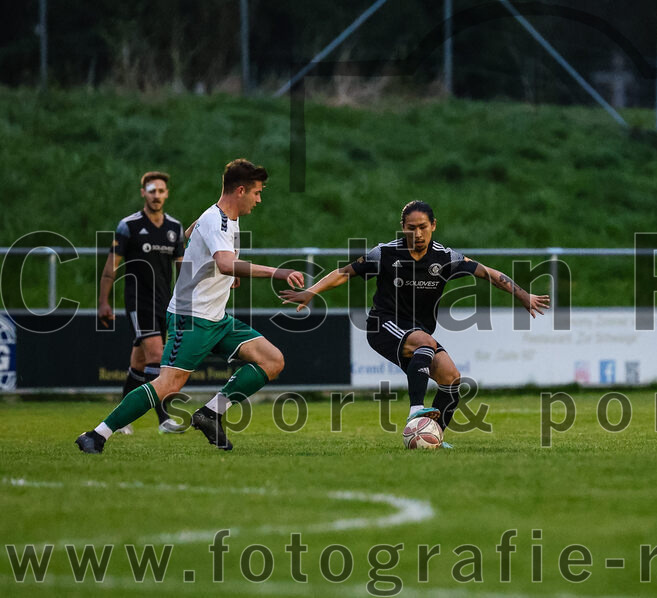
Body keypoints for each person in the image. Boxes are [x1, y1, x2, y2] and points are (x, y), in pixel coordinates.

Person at [76, 159, 304, 454]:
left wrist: (221, 269)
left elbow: (191, 236)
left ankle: (210, 414)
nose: (259, 200)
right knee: (168, 384)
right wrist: (277, 272)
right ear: (241, 190)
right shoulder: (216, 219)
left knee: (272, 360)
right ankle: (97, 435)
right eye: (257, 193)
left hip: (217, 319)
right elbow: (223, 262)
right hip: (191, 318)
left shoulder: (223, 218)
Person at [280, 201, 549, 447]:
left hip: (418, 332)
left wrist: (523, 295)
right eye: (411, 228)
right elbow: (344, 273)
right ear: (402, 228)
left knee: (451, 379)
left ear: (433, 225)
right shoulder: (384, 253)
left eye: (423, 227)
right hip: (383, 325)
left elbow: (488, 273)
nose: (417, 234)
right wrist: (311, 291)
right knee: (425, 342)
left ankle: (433, 435)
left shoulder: (445, 258)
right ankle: (415, 411)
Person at [98, 171, 188, 434]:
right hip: (139, 301)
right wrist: (104, 301)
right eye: (152, 191)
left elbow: (182, 271)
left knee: (139, 364)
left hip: (165, 303)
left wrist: (183, 302)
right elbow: (110, 267)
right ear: (143, 193)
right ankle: (163, 419)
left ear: (167, 194)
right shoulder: (129, 226)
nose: (156, 196)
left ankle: (121, 417)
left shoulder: (174, 228)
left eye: (161, 191)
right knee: (157, 358)